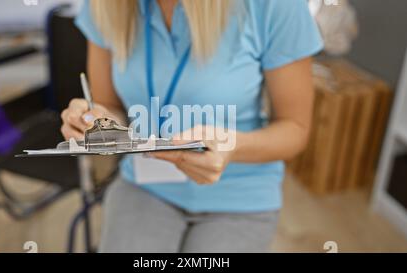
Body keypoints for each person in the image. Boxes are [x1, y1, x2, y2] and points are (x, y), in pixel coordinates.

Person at [61, 0, 323, 253]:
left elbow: (295, 128)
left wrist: (232, 147)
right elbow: (111, 106)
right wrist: (98, 124)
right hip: (145, 185)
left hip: (239, 195)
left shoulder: (275, 5)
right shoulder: (105, 5)